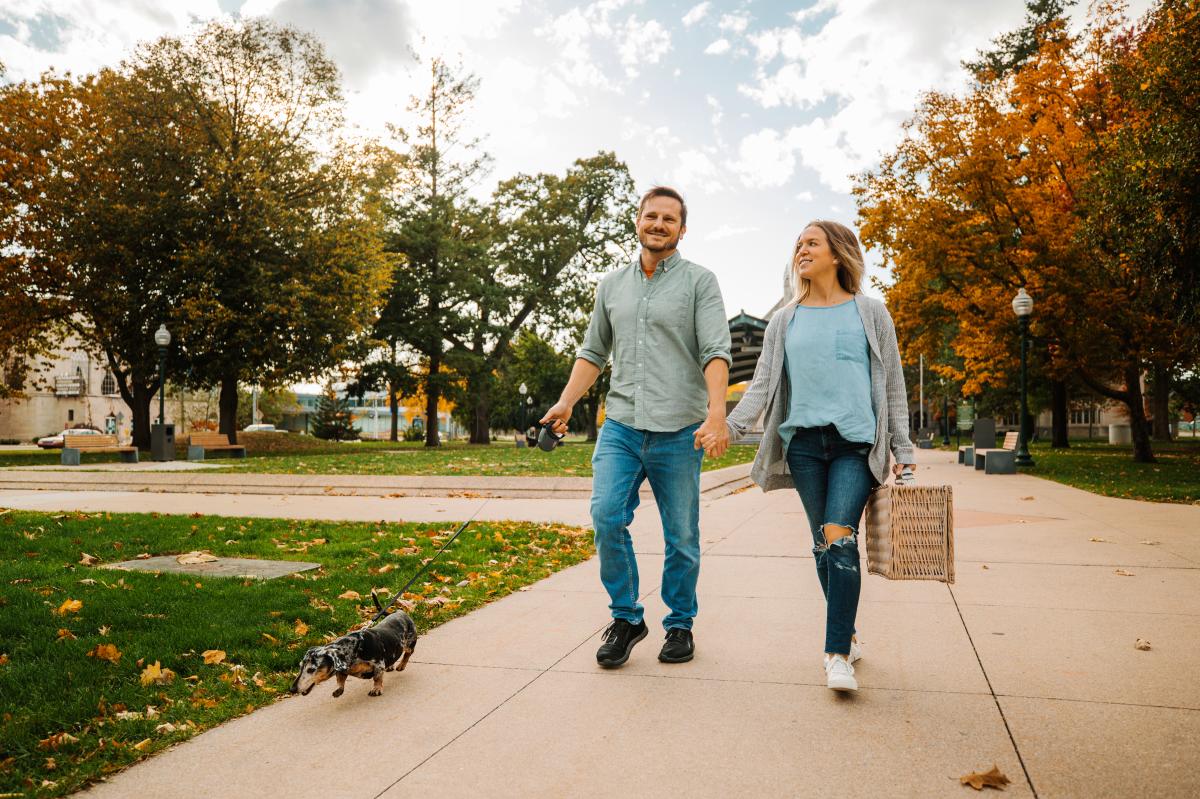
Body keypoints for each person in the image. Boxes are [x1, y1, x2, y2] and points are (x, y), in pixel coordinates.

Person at [703, 220, 913, 692]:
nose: (801, 250)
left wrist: (903, 450)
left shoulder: (870, 312)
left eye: (811, 243)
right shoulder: (785, 319)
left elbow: (894, 386)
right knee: (823, 545)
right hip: (804, 447)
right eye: (798, 244)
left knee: (840, 538)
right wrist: (728, 425)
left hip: (855, 445)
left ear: (837, 254)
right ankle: (849, 634)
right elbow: (762, 385)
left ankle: (836, 654)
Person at [541, 186, 731, 668]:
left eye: (670, 218)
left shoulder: (699, 282)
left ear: (682, 229)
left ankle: (680, 625)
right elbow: (592, 352)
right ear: (638, 221)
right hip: (622, 425)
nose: (659, 224)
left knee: (682, 536)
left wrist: (716, 413)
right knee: (606, 516)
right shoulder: (612, 286)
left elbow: (715, 351)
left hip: (679, 429)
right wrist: (565, 403)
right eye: (652, 216)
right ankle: (626, 618)